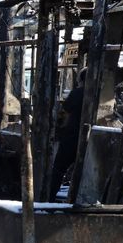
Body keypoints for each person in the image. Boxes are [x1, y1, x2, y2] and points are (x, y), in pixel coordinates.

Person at [50, 68, 87, 196]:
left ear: (81, 80)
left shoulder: (76, 93)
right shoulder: (96, 95)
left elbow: (63, 114)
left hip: (71, 137)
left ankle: (49, 198)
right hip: (88, 140)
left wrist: (58, 130)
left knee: (58, 169)